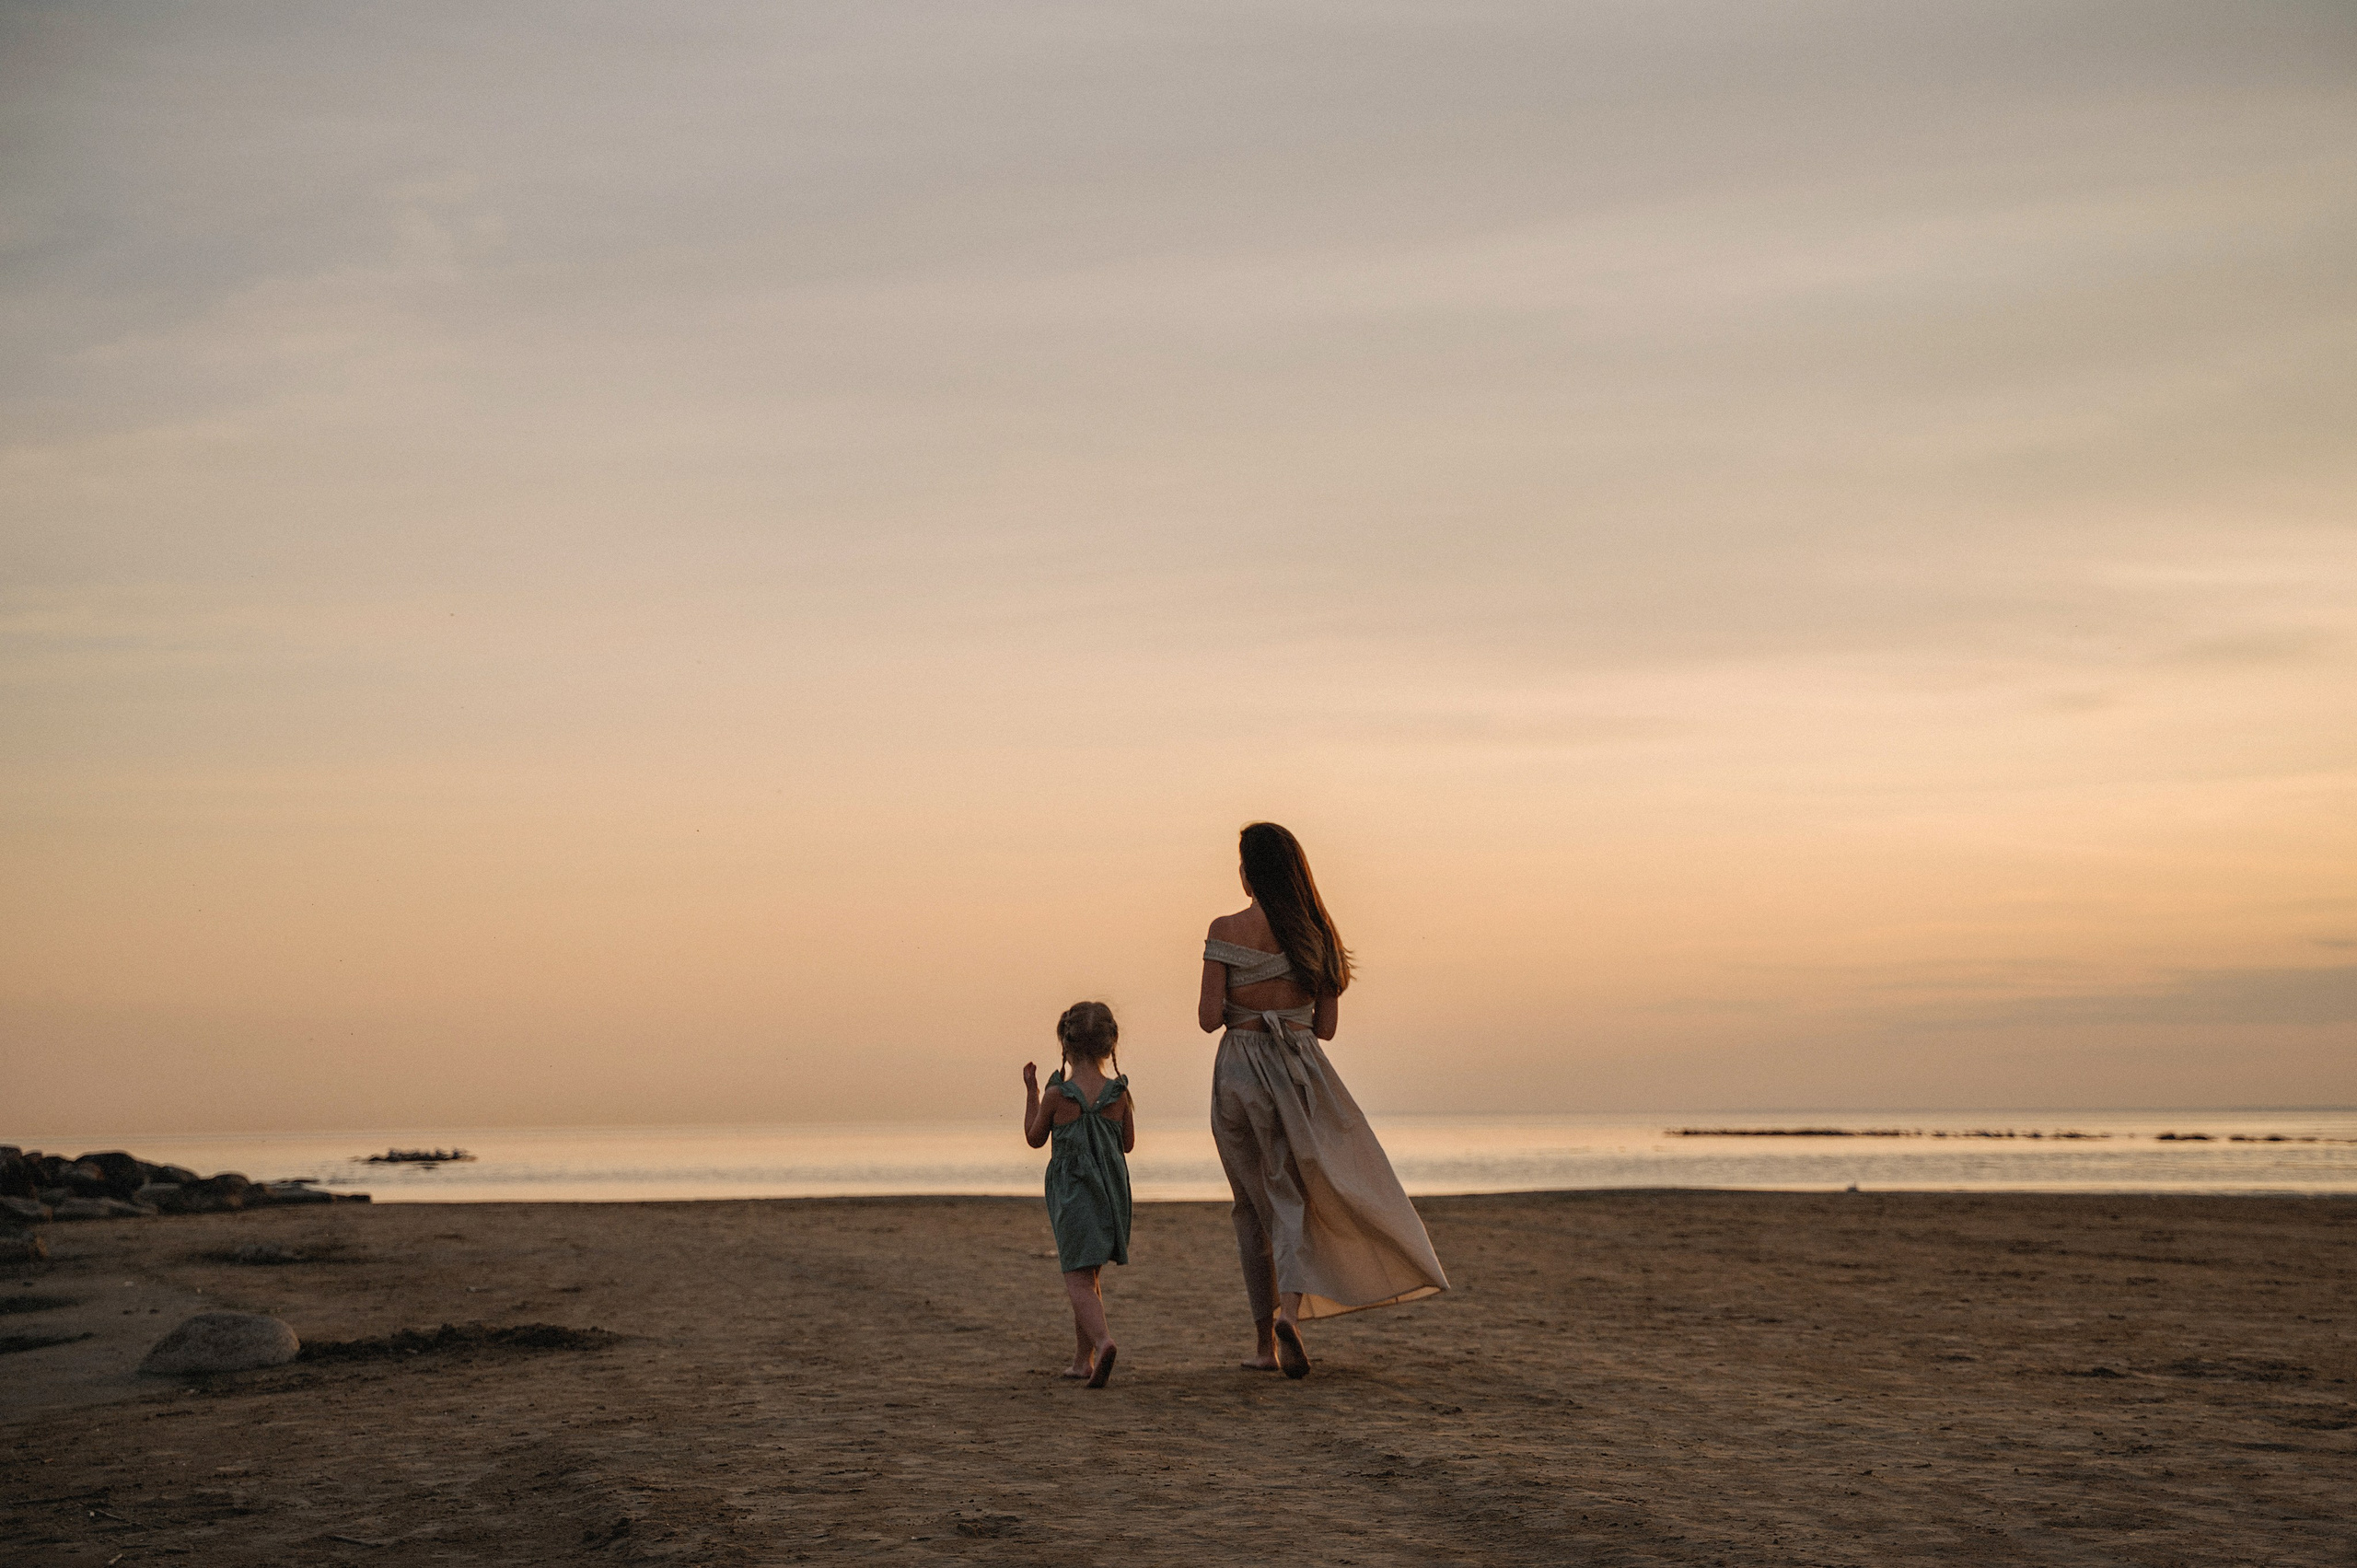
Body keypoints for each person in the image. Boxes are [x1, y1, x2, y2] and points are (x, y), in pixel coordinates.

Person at [1202, 821, 1447, 1378]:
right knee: (1290, 1198)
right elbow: (1326, 1028)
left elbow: (1207, 1019)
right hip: (1296, 1072)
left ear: (1249, 872)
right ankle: (1290, 1313)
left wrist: (1246, 1002)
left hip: (1238, 1072)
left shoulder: (1224, 929)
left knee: (1250, 1207)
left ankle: (1263, 1344)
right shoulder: (1317, 933)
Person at [1023, 1000, 1135, 1388]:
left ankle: (1103, 1343)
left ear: (1066, 1044)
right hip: (1111, 1194)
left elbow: (1034, 1138)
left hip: (1074, 1196)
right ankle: (1081, 1360)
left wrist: (1033, 1092)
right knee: (1089, 1278)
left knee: (1077, 1280)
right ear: (1110, 1045)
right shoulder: (1119, 1093)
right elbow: (1128, 1144)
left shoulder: (1059, 1095)